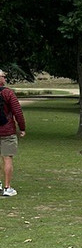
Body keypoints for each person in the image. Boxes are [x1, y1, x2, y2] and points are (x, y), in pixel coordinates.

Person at [0, 69, 27, 197]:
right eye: (3, 76)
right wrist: (22, 128)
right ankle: (7, 187)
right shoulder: (8, 93)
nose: (5, 78)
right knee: (7, 158)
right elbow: (18, 112)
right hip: (7, 131)